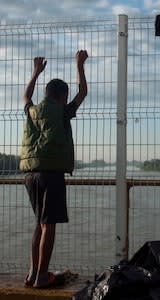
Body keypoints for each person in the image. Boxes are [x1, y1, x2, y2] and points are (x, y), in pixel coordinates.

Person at [19, 50, 88, 288]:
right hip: (51, 174)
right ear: (61, 96)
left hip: (30, 174)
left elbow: (26, 96)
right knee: (49, 225)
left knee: (39, 222)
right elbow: (83, 93)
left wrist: (36, 72)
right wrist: (80, 65)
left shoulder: (33, 111)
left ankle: (32, 274)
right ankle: (42, 276)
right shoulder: (62, 112)